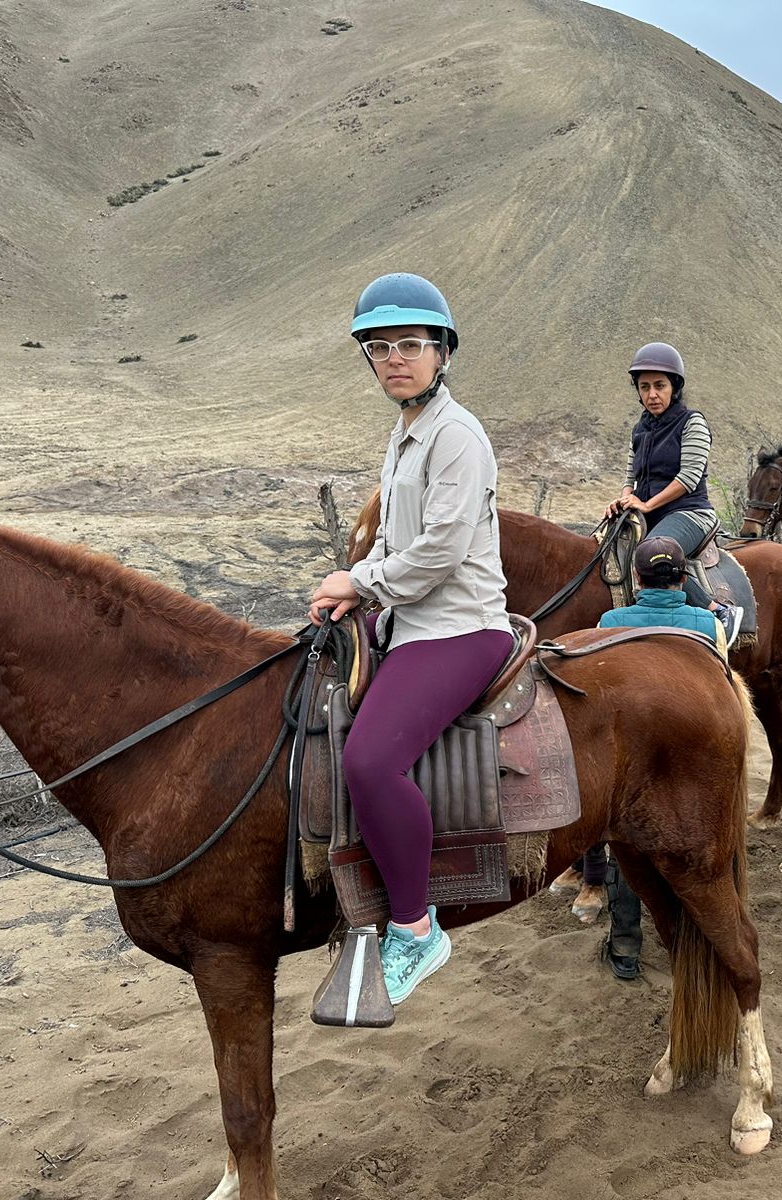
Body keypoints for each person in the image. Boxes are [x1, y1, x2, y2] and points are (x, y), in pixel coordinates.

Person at [307, 272, 513, 1006]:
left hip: (459, 627)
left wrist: (360, 585)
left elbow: (439, 552)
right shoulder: (405, 434)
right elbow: (398, 541)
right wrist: (351, 583)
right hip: (409, 619)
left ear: (442, 353)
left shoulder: (457, 436)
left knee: (369, 761)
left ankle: (416, 929)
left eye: (411, 344)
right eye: (380, 346)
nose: (395, 358)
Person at [591, 536, 725, 980]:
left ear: (636, 578)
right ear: (685, 579)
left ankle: (626, 945)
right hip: (693, 756)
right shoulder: (706, 624)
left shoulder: (611, 620)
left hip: (631, 757)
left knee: (627, 846)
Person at [604, 342, 743, 644]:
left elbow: (689, 478)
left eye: (659, 385)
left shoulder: (692, 422)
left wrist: (646, 504)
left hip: (691, 512)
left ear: (674, 387)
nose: (652, 394)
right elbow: (631, 475)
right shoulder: (640, 428)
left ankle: (718, 610)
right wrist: (625, 498)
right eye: (644, 387)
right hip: (649, 513)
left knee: (655, 549)